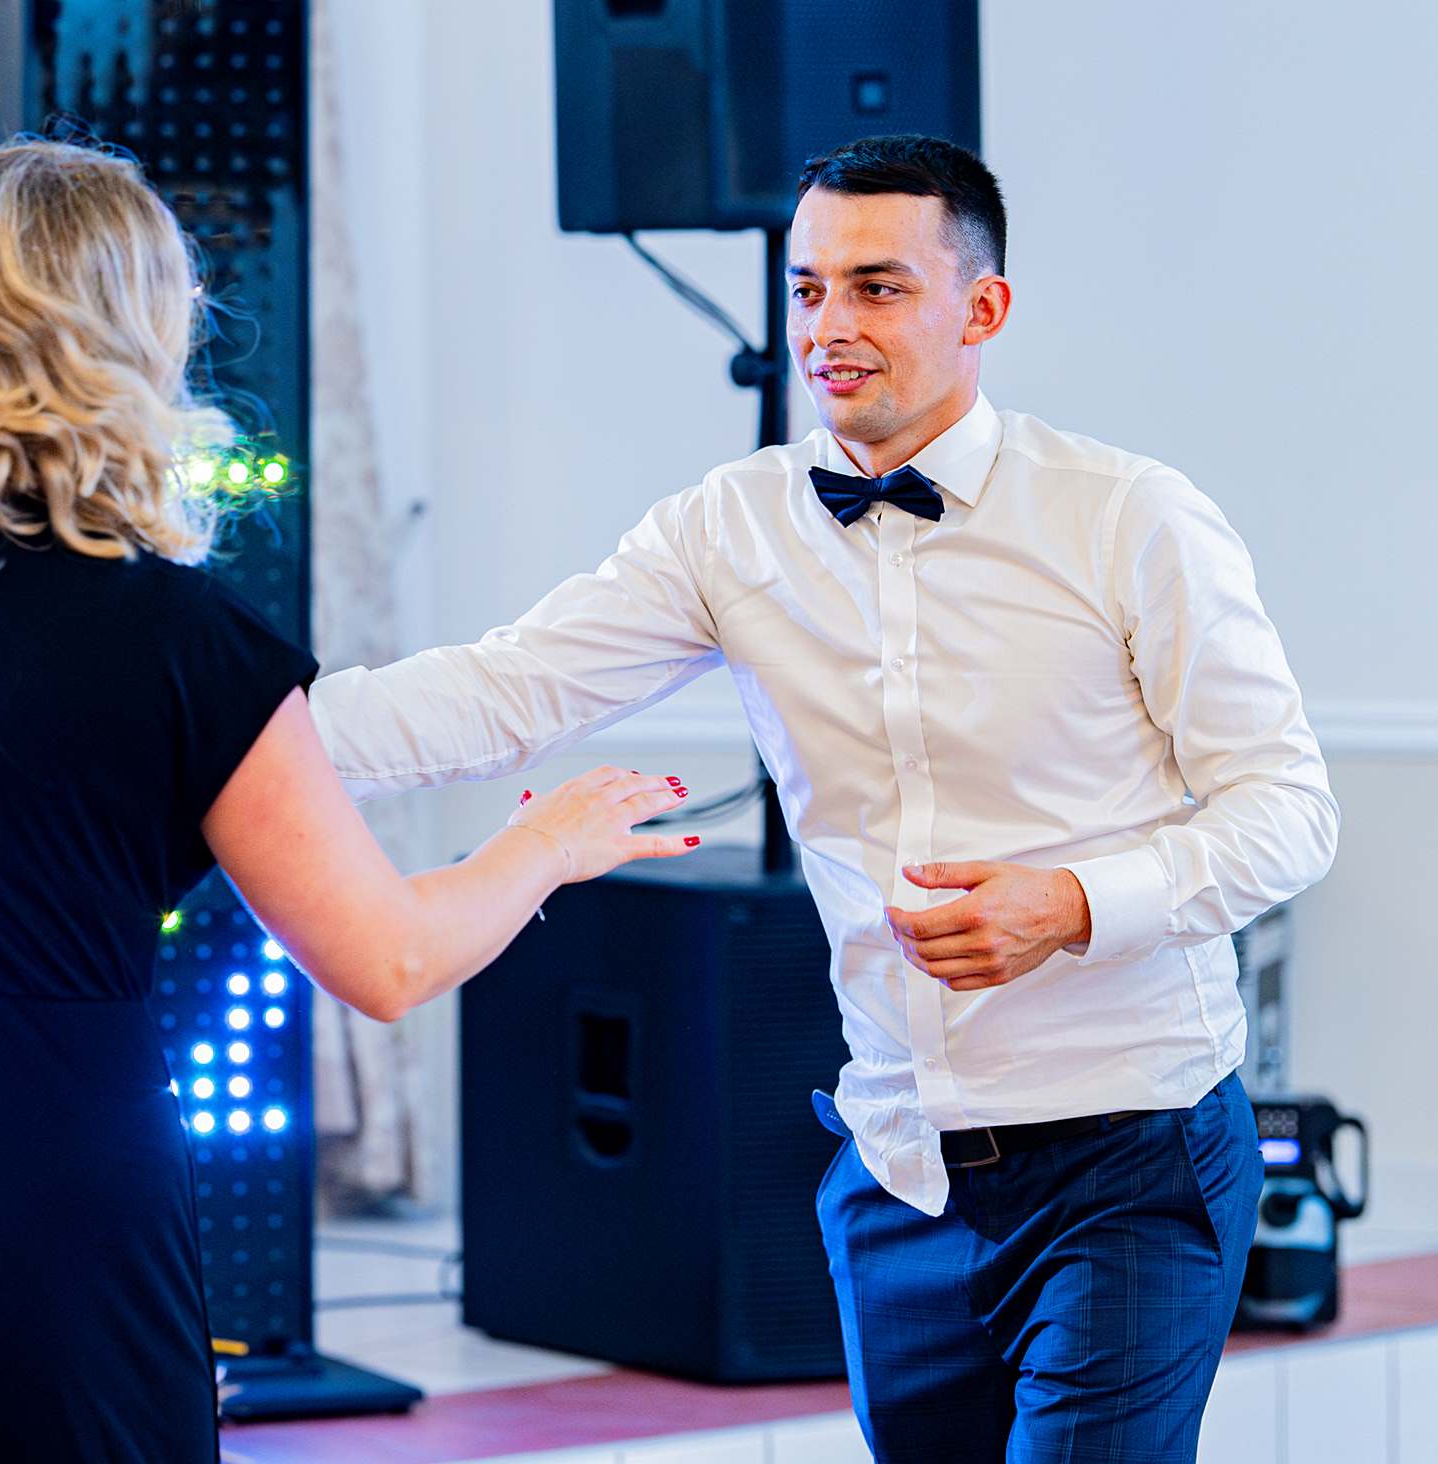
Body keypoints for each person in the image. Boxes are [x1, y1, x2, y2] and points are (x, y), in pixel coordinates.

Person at [0, 140, 696, 1464]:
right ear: (127, 332)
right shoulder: (174, 634)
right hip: (40, 1172)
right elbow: (386, 960)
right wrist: (544, 843)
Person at [307, 134, 1339, 1461]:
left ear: (982, 308)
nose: (827, 326)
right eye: (806, 289)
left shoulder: (1130, 517)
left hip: (1129, 1154)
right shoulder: (727, 529)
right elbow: (502, 692)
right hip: (896, 1169)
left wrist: (1076, 904)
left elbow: (1288, 810)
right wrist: (230, 725)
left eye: (877, 288)